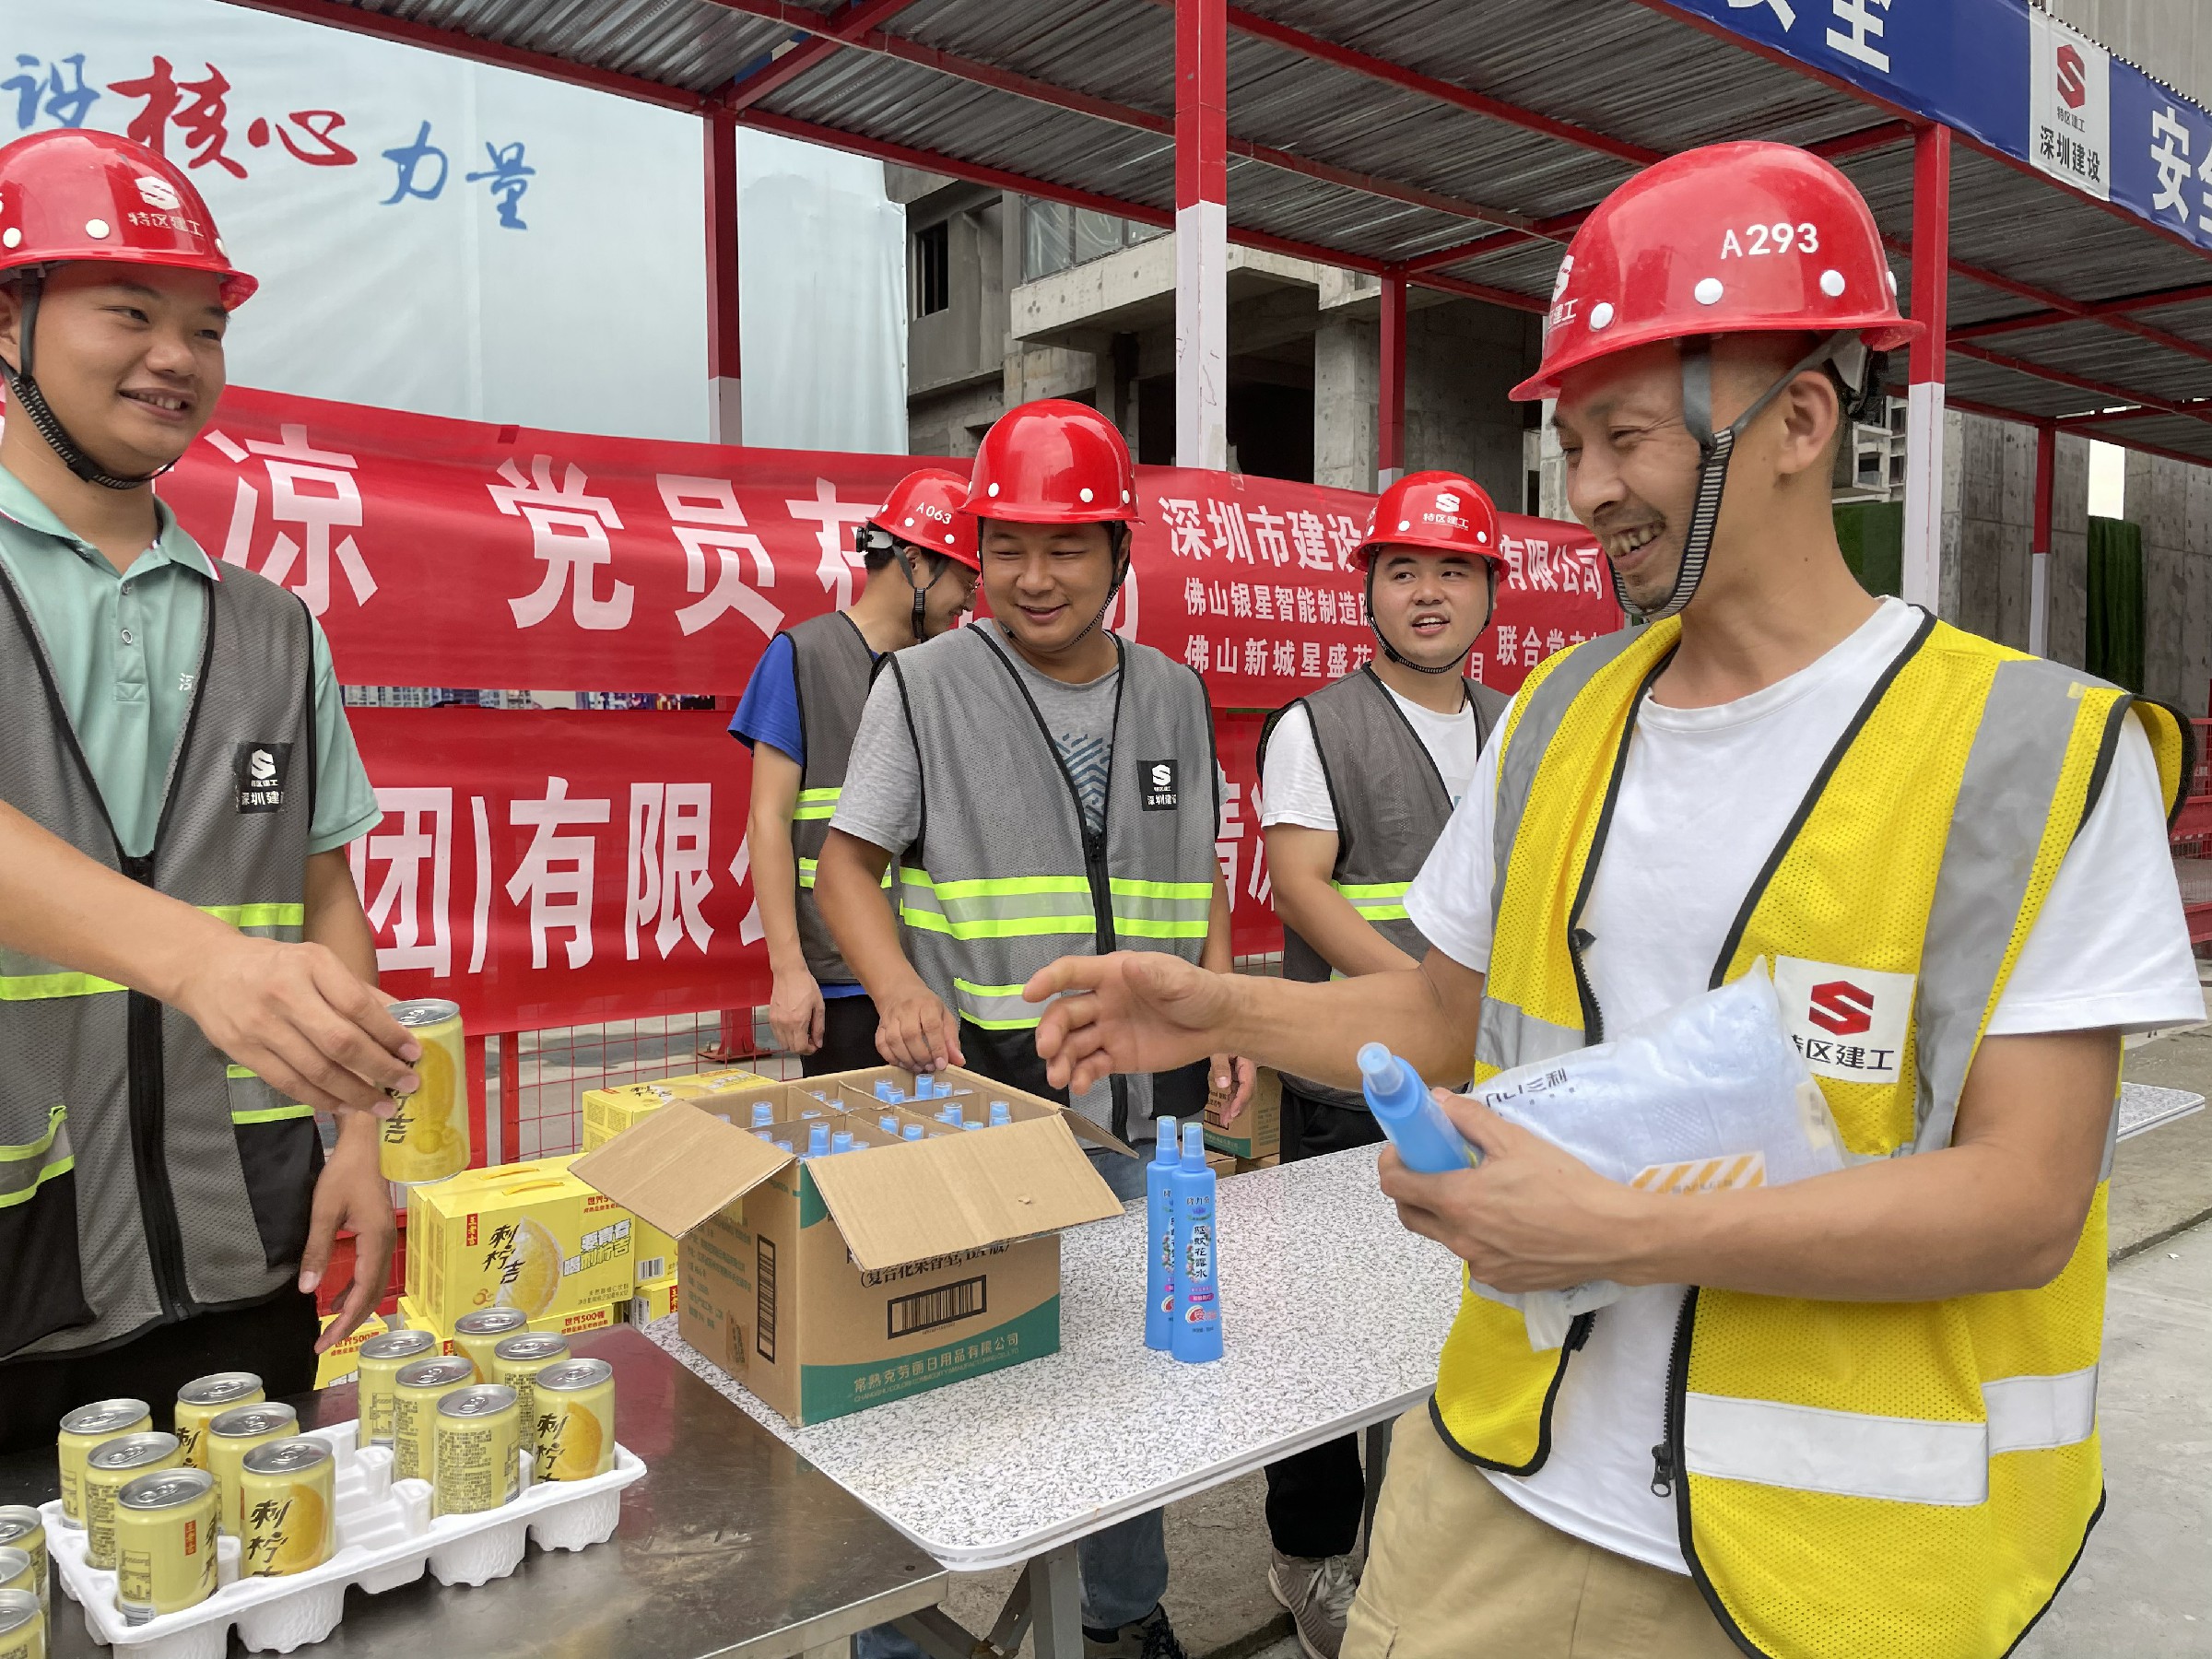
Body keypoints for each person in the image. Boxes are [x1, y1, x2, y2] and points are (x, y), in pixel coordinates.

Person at [1024, 141, 2202, 1659]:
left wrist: (1616, 1229)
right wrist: (1217, 1008)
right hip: (1500, 1473)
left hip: (1823, 1563)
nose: (1583, 491)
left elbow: (2027, 1200)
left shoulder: (2036, 756)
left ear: (1799, 419)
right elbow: (1440, 1018)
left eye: (1625, 437)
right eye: (1570, 442)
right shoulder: (1560, 716)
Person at [816, 398, 1253, 1659]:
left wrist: (1226, 1002)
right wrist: (899, 990)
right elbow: (845, 868)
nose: (1034, 576)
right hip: (989, 1104)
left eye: (1067, 546)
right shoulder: (923, 688)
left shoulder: (1174, 693)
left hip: (1148, 1111)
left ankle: (1123, 1616)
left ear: (1120, 551)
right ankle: (896, 1637)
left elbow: (1197, 868)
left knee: (1129, 1374)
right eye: (1006, 547)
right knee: (946, 1385)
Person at [0, 129, 407, 1454]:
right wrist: (203, 962)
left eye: (206, 327)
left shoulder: (273, 628)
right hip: (20, 1262)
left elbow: (324, 893)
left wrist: (359, 1135)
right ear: (8, 322)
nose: (176, 356)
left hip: (243, 1245)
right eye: (130, 312)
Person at [1250, 470, 1508, 1659]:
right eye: (1404, 570)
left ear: (1489, 590)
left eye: (1454, 570)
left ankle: (1417, 1558)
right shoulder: (1318, 726)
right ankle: (1309, 1556)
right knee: (1328, 1341)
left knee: (1449, 1330)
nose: (1429, 593)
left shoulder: (1521, 723)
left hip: (1483, 1088)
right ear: (1369, 592)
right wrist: (1423, 1004)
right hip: (1352, 1087)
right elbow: (1303, 885)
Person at [733, 466, 979, 1072]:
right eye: (965, 577)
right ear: (916, 562)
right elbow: (767, 821)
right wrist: (788, 970)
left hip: (943, 977)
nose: (971, 600)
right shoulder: (803, 657)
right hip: (844, 984)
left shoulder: (954, 670)